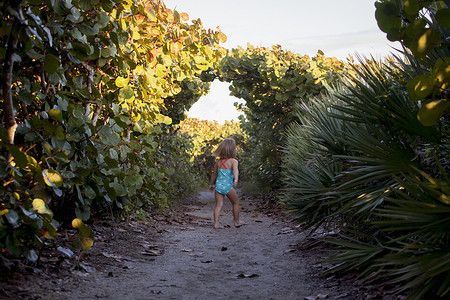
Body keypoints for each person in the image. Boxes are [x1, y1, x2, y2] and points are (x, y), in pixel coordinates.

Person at [208, 138, 244, 229]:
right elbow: (236, 171)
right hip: (228, 187)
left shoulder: (218, 162)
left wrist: (211, 184)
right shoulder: (233, 161)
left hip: (218, 187)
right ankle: (236, 222)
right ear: (233, 149)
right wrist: (235, 180)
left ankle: (216, 223)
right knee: (235, 203)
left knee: (218, 205)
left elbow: (214, 174)